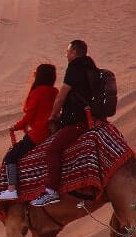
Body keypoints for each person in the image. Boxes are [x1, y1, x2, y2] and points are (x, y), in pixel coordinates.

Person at [31, 39, 98, 207]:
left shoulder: (74, 69)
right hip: (91, 118)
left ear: (74, 52)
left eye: (67, 51)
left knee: (52, 150)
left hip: (77, 122)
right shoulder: (91, 67)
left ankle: (51, 191)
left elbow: (62, 96)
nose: (66, 54)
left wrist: (53, 115)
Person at [0, 63, 58, 201]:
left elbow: (29, 117)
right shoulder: (55, 92)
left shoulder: (37, 93)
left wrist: (15, 127)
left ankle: (12, 189)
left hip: (39, 135)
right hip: (52, 134)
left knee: (10, 156)